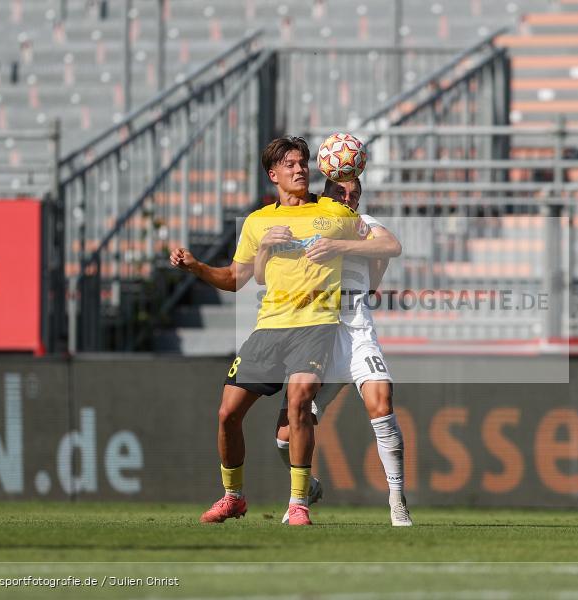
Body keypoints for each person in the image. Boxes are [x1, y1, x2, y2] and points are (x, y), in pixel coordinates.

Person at [170, 136, 398, 526]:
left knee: (300, 403)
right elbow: (236, 279)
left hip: (316, 325)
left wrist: (342, 248)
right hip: (270, 327)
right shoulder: (258, 222)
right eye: (290, 164)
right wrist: (197, 266)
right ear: (273, 174)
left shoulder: (334, 211)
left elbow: (388, 243)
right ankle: (233, 497)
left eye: (303, 163)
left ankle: (298, 504)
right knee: (227, 414)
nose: (299, 169)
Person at [265, 177, 411, 527]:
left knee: (382, 403)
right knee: (284, 436)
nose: (348, 199)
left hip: (357, 333)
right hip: (317, 335)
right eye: (340, 192)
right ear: (325, 193)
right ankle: (308, 486)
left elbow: (392, 245)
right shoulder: (309, 220)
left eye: (354, 195)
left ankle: (397, 500)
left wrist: (339, 246)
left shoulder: (363, 224)